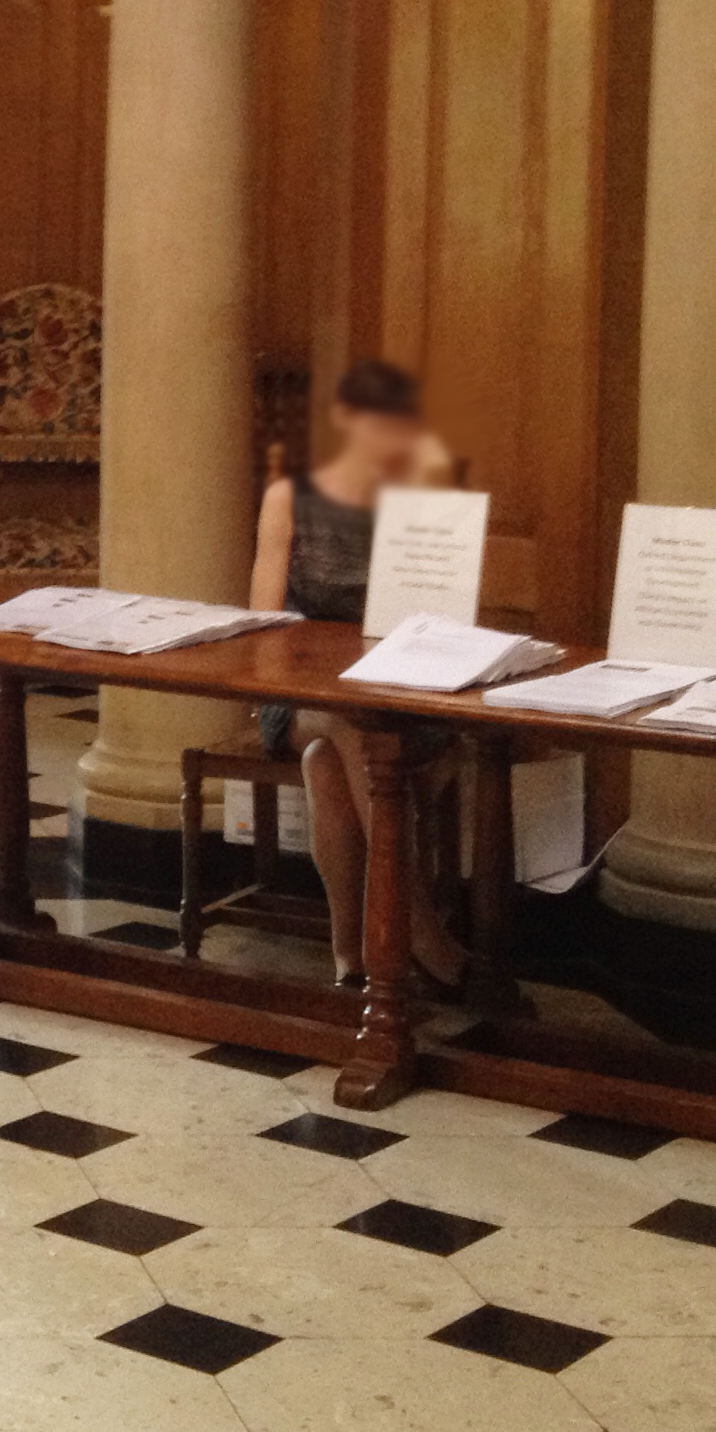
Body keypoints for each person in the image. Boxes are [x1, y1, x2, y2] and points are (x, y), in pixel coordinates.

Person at [248, 358, 462, 990]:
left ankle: (352, 955)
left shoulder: (422, 505)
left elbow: (445, 615)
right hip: (299, 690)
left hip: (397, 692)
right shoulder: (290, 495)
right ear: (343, 419)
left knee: (327, 755)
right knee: (341, 723)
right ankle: (417, 928)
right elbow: (262, 619)